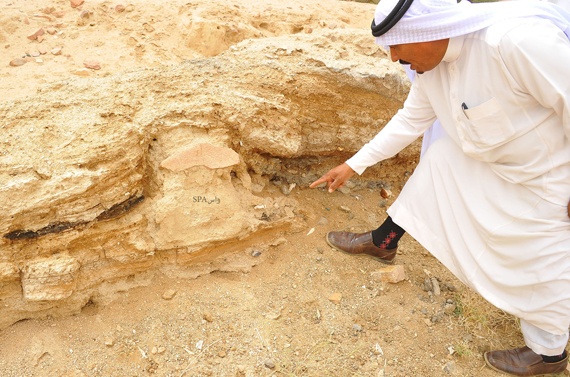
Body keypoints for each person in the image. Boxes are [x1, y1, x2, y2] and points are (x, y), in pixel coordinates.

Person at [310, 0, 570, 375]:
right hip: (503, 168)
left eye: (398, 46)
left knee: (544, 259)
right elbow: (409, 121)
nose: (394, 57)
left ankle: (548, 354)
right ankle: (384, 242)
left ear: (427, 30)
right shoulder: (432, 70)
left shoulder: (514, 42)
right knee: (441, 157)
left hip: (552, 178)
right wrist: (353, 164)